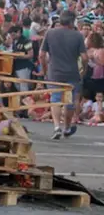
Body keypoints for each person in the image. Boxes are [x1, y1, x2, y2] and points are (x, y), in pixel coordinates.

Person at [39, 10, 88, 140]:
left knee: (55, 98)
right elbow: (84, 57)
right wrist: (84, 69)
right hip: (72, 72)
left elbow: (41, 55)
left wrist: (44, 70)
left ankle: (56, 127)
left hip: (54, 71)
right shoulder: (77, 36)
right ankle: (66, 127)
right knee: (69, 101)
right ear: (72, 21)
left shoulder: (50, 33)